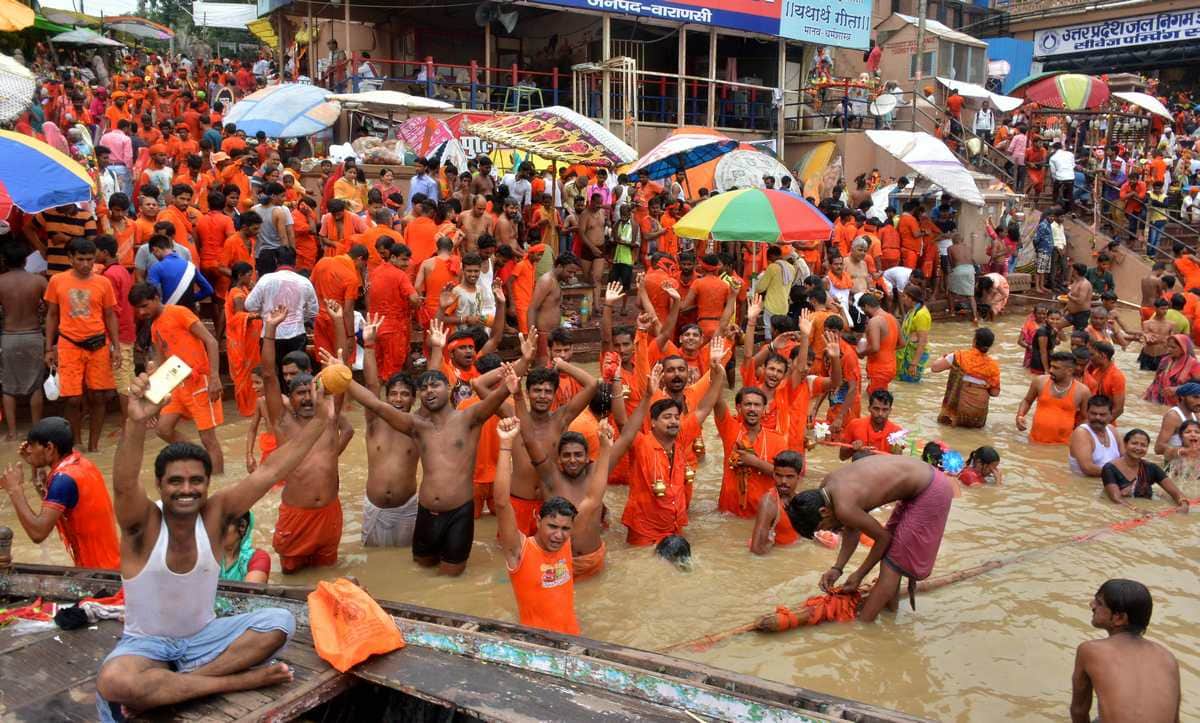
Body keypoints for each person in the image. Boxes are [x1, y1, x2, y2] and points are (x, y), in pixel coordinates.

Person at [93, 369, 335, 720]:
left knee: (280, 622)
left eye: (196, 481)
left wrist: (319, 423)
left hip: (203, 639)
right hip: (146, 647)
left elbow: (269, 472)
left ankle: (180, 685)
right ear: (160, 485)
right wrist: (134, 425)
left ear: (207, 484)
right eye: (175, 481)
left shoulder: (216, 513)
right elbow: (124, 483)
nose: (186, 490)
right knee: (115, 681)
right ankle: (236, 681)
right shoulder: (142, 524)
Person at [342, 359, 516, 575]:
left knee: (451, 577)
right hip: (425, 513)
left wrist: (516, 374)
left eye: (435, 385)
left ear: (449, 388)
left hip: (459, 513)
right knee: (419, 571)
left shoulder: (470, 418)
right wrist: (342, 375)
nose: (429, 391)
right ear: (420, 397)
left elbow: (497, 397)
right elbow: (375, 403)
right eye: (424, 388)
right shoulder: (417, 427)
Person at [787, 455, 954, 622]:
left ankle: (864, 628)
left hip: (931, 489)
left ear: (823, 511)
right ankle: (891, 615)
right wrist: (838, 568)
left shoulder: (844, 507)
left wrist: (859, 574)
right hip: (923, 483)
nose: (830, 530)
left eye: (823, 527)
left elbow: (883, 538)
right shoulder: (827, 489)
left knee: (892, 566)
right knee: (893, 558)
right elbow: (852, 529)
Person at [260, 306, 354, 573]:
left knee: (328, 573)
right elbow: (268, 375)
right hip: (296, 515)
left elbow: (341, 370)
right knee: (289, 574)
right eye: (299, 393)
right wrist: (270, 330)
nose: (306, 398)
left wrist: (337, 322)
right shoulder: (283, 422)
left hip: (329, 513)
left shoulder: (328, 416)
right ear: (290, 398)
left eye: (310, 392)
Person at [493, 417, 584, 634]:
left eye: (565, 529)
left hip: (574, 639)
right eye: (552, 526)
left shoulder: (566, 541)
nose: (559, 535)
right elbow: (501, 503)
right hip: (537, 646)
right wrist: (506, 445)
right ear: (537, 521)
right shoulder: (519, 550)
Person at [130, 284, 225, 474]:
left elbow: (211, 341)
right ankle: (200, 458)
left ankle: (217, 481)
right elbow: (161, 362)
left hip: (199, 382)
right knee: (163, 430)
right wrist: (151, 383)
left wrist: (214, 377)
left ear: (157, 298)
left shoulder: (179, 312)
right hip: (176, 385)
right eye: (138, 308)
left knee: (208, 438)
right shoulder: (155, 326)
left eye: (145, 306)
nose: (142, 312)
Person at [3, 416, 119, 570]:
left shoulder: (63, 479)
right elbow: (60, 508)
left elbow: (38, 533)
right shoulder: (81, 463)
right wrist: (36, 466)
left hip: (98, 574)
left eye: (32, 445)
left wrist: (14, 490)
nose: (28, 450)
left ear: (50, 448)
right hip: (112, 564)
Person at [43, 238, 121, 452]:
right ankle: (76, 443)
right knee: (73, 398)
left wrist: (115, 347)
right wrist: (49, 347)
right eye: (80, 259)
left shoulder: (103, 282)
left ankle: (94, 445)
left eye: (89, 259)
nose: (86, 264)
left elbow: (110, 315)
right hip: (68, 344)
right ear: (70, 259)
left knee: (99, 395)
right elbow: (51, 315)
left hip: (98, 343)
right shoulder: (57, 281)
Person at [1070, 579, 1181, 723]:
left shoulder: (1090, 650)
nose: (1092, 605)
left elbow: (1078, 711)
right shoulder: (1168, 658)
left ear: (1120, 618)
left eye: (1099, 603)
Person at [357, 314, 420, 547]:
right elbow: (372, 385)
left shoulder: (417, 426)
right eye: (393, 393)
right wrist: (369, 345)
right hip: (375, 507)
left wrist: (436, 349)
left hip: (407, 508)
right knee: (373, 561)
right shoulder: (375, 420)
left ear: (414, 400)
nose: (398, 399)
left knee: (406, 563)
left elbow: (434, 383)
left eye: (404, 394)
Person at [244, 246, 318, 380]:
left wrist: (265, 312)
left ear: (276, 261)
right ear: (295, 262)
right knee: (298, 376)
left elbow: (249, 305)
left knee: (272, 375)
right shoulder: (304, 282)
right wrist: (299, 317)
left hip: (271, 335)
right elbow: (313, 310)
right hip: (296, 334)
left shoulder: (266, 279)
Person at [0, 243, 48, 438]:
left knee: (8, 386)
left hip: (9, 336)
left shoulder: (0, 281)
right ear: (26, 260)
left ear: (4, 261)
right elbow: (51, 308)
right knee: (36, 385)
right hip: (33, 334)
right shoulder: (38, 281)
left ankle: (12, 433)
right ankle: (36, 430)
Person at [1100, 429, 1190, 512]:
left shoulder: (1152, 468)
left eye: (1143, 445)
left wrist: (1183, 504)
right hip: (1121, 512)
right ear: (1125, 444)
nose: (1138, 448)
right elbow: (1116, 499)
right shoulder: (1109, 468)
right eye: (1134, 443)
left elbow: (1176, 493)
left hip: (1147, 509)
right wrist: (1137, 510)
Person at [932, 327, 1001, 428]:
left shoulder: (958, 356)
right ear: (990, 345)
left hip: (955, 411)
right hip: (978, 416)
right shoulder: (993, 366)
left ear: (974, 341)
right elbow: (995, 393)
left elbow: (935, 368)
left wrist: (944, 357)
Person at [1016, 351, 1090, 444]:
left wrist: (1078, 436)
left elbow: (1086, 418)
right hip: (1034, 442)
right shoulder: (1040, 381)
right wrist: (1020, 415)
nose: (1050, 370)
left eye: (1056, 368)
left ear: (1069, 371)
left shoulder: (1083, 391)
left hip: (1063, 445)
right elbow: (1027, 401)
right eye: (1051, 366)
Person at [527, 254, 582, 362]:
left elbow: (549, 305)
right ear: (559, 267)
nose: (572, 276)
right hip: (543, 334)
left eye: (574, 273)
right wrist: (532, 338)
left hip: (553, 334)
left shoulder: (555, 281)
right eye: (569, 272)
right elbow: (532, 308)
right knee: (544, 368)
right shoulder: (547, 280)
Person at [749, 451, 803, 555]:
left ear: (798, 477)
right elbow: (756, 549)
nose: (783, 481)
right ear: (773, 474)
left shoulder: (801, 499)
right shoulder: (769, 503)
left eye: (789, 476)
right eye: (779, 475)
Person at [1069, 395, 1123, 478]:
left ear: (1111, 415)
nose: (1097, 417)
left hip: (1111, 481)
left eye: (1102, 414)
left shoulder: (1112, 430)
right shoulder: (1081, 433)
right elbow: (1088, 468)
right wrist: (1119, 474)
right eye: (1093, 414)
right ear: (1087, 413)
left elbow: (1126, 458)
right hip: (1086, 485)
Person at [839, 390, 902, 458]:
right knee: (858, 455)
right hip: (861, 466)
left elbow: (898, 462)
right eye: (876, 409)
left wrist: (897, 453)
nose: (880, 413)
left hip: (884, 467)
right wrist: (852, 448)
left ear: (890, 410)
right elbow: (842, 457)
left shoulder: (897, 432)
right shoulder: (855, 424)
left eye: (885, 409)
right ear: (869, 408)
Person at [218, 511, 271, 583]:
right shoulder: (208, 553)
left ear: (242, 527)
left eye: (223, 525)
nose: (216, 530)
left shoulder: (258, 558)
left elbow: (250, 591)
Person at [897, 285, 931, 382]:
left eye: (904, 296)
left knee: (910, 382)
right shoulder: (913, 310)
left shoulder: (921, 314)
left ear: (911, 298)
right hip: (907, 352)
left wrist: (914, 363)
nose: (902, 299)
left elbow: (922, 341)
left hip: (914, 356)